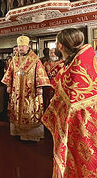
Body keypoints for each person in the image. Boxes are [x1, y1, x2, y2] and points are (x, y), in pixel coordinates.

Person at [42, 28, 97, 177]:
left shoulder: (73, 71)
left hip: (79, 127)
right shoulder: (84, 63)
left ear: (60, 46)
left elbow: (69, 104)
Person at [1, 35, 51, 141]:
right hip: (17, 91)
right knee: (16, 111)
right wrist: (8, 85)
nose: (20, 48)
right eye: (19, 46)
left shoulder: (35, 60)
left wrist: (40, 86)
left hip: (31, 91)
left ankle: (31, 136)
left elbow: (40, 73)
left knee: (30, 111)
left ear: (28, 46)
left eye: (23, 46)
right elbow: (9, 73)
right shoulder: (14, 60)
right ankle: (17, 132)